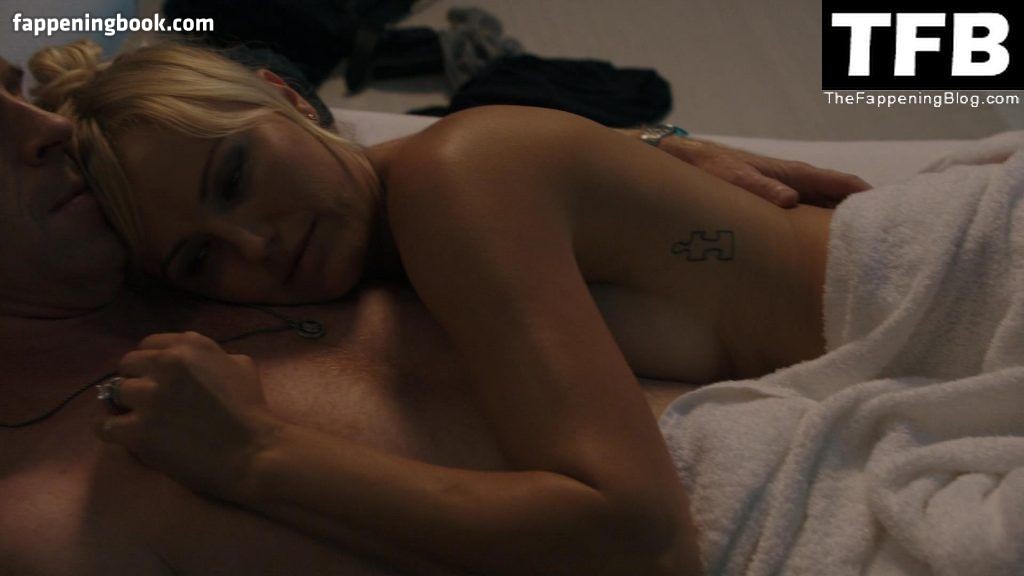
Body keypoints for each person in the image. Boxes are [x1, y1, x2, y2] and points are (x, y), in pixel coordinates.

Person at [35, 40, 871, 575]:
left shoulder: (453, 181)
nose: (255, 243)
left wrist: (254, 455)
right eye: (200, 256)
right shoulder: (394, 222)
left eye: (235, 176)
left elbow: (641, 539)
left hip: (929, 290)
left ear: (287, 98)